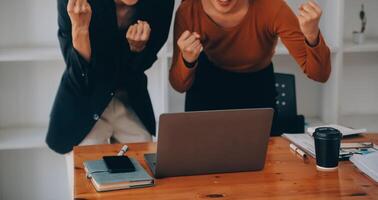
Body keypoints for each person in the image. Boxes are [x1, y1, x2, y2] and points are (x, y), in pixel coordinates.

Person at [46, 0, 174, 193]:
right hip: (84, 105)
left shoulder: (161, 3)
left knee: (143, 191)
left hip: (130, 101)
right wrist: (80, 31)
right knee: (86, 190)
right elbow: (79, 75)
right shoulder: (74, 2)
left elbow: (144, 63)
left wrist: (137, 50)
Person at [170, 0, 331, 135]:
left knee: (265, 166)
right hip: (206, 98)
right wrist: (187, 60)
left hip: (257, 97)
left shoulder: (272, 7)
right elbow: (178, 85)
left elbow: (320, 74)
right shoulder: (189, 10)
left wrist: (312, 36)